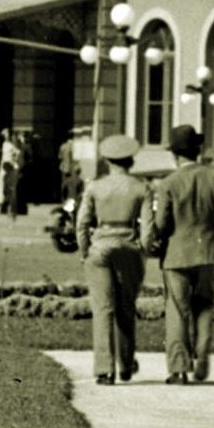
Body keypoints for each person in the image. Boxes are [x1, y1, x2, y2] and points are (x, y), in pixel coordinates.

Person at [142, 124, 214, 384]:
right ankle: (202, 357)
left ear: (175, 155)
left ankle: (178, 368)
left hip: (176, 254)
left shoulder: (168, 183)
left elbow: (163, 222)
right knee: (204, 306)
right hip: (209, 250)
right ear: (198, 150)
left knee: (177, 309)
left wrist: (157, 236)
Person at [78, 133, 149, 386]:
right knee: (126, 307)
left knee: (102, 309)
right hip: (128, 245)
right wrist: (144, 250)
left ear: (107, 161)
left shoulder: (94, 187)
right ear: (131, 161)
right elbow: (148, 228)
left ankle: (104, 369)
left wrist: (85, 250)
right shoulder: (141, 187)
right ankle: (126, 364)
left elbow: (83, 223)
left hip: (100, 246)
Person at [0, 128, 22, 223]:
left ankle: (11, 210)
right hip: (5, 167)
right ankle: (4, 207)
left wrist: (14, 159)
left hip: (10, 168)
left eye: (6, 135)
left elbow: (18, 154)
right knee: (4, 189)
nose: (5, 136)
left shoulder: (11, 144)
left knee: (11, 189)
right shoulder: (5, 144)